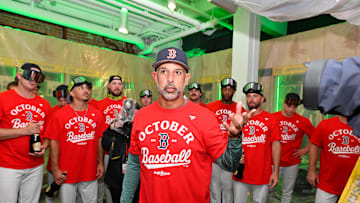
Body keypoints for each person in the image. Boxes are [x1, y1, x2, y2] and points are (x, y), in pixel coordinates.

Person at [120, 47, 255, 203]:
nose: (170, 78)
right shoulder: (142, 116)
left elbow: (230, 164)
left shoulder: (205, 117)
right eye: (164, 71)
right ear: (155, 77)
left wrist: (235, 137)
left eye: (177, 72)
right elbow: (134, 164)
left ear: (186, 78)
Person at [44, 76, 105, 202]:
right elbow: (53, 142)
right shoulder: (59, 115)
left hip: (89, 171)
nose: (86, 90)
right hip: (67, 173)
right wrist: (55, 169)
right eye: (80, 88)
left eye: (87, 87)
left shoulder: (97, 114)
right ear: (71, 92)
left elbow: (99, 139)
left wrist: (100, 162)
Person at [0, 63, 51, 202]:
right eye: (30, 75)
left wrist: (45, 146)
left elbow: (48, 133)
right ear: (18, 76)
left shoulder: (45, 104)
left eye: (38, 77)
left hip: (36, 165)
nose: (33, 79)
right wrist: (24, 131)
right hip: (8, 166)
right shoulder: (3, 99)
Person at [232, 82, 281, 203]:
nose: (251, 99)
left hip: (262, 173)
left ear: (262, 98)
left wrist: (276, 172)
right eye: (248, 96)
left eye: (255, 96)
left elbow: (276, 145)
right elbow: (230, 141)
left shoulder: (271, 119)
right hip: (241, 171)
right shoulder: (240, 118)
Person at [270, 93, 315, 203]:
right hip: (273, 161)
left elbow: (315, 137)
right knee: (268, 189)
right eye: (288, 106)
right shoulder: (273, 118)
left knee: (287, 192)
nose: (291, 109)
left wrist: (305, 149)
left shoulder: (303, 121)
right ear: (284, 104)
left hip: (292, 162)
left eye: (294, 107)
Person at [207, 78, 244, 203]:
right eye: (225, 89)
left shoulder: (240, 110)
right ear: (221, 90)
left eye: (230, 89)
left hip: (230, 154)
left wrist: (242, 153)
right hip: (214, 154)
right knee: (214, 187)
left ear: (234, 91)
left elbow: (244, 134)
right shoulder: (211, 107)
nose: (227, 92)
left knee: (228, 188)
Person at [307, 116, 360, 203]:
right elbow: (314, 146)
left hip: (355, 185)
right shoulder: (325, 124)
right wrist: (311, 171)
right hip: (327, 183)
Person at [98, 75, 128, 203]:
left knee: (123, 182)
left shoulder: (128, 103)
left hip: (123, 151)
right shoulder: (100, 105)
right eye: (114, 83)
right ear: (109, 86)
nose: (117, 86)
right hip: (106, 151)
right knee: (106, 182)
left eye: (119, 84)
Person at [45, 84, 69, 203]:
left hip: (71, 165)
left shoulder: (78, 112)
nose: (63, 103)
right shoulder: (52, 112)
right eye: (60, 100)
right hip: (54, 164)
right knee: (51, 194)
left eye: (65, 100)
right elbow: (47, 137)